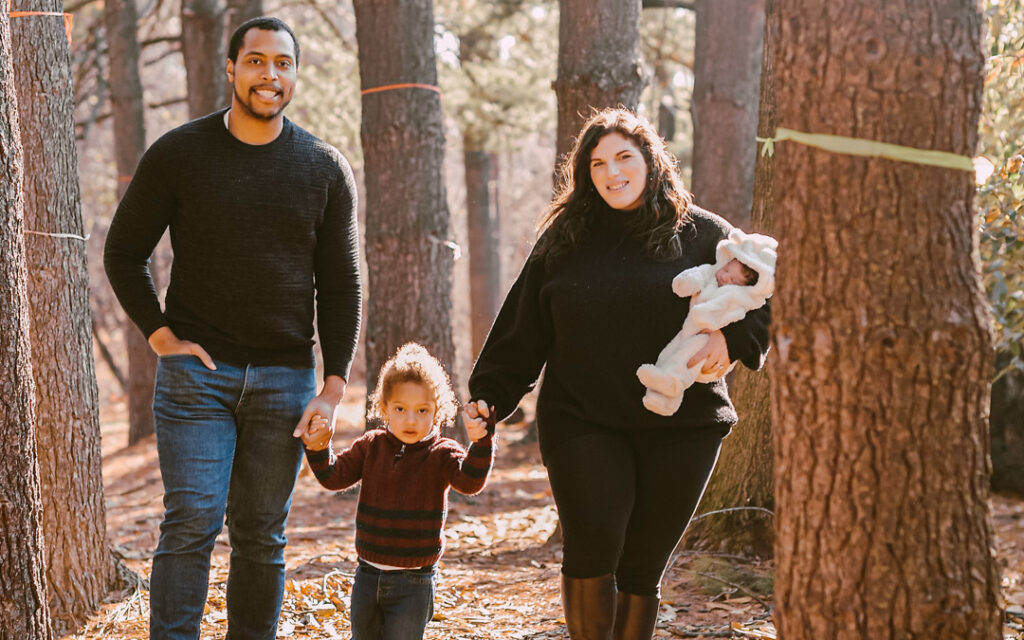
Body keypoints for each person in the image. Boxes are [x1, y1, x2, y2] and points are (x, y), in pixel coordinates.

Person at [464, 108, 770, 640]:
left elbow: (771, 291)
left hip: (685, 426)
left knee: (642, 567)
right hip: (583, 419)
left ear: (651, 161)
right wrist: (490, 396)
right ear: (585, 174)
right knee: (593, 543)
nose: (612, 172)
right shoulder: (565, 240)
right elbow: (523, 325)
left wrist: (734, 338)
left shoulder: (703, 234)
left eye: (624, 157)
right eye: (598, 163)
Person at [103, 16, 362, 640]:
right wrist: (162, 338)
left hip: (286, 381)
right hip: (198, 378)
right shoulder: (179, 153)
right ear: (231, 69)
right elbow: (123, 252)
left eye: (282, 63)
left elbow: (342, 283)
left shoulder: (324, 167)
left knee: (261, 534)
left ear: (295, 74)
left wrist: (332, 387)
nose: (269, 75)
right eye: (255, 61)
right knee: (191, 521)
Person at [300, 343, 495, 639]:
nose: (411, 420)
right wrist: (317, 447)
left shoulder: (441, 453)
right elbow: (334, 476)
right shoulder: (372, 446)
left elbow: (470, 482)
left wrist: (481, 443)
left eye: (422, 410)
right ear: (384, 407)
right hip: (366, 576)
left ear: (437, 411)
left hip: (413, 583)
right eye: (400, 409)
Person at [637, 228, 777, 415]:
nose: (724, 276)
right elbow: (697, 276)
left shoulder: (710, 230)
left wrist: (732, 338)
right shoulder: (714, 272)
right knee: (671, 354)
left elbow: (776, 305)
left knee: (687, 356)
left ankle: (672, 382)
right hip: (605, 412)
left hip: (701, 403)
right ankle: (661, 398)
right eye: (726, 269)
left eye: (733, 278)